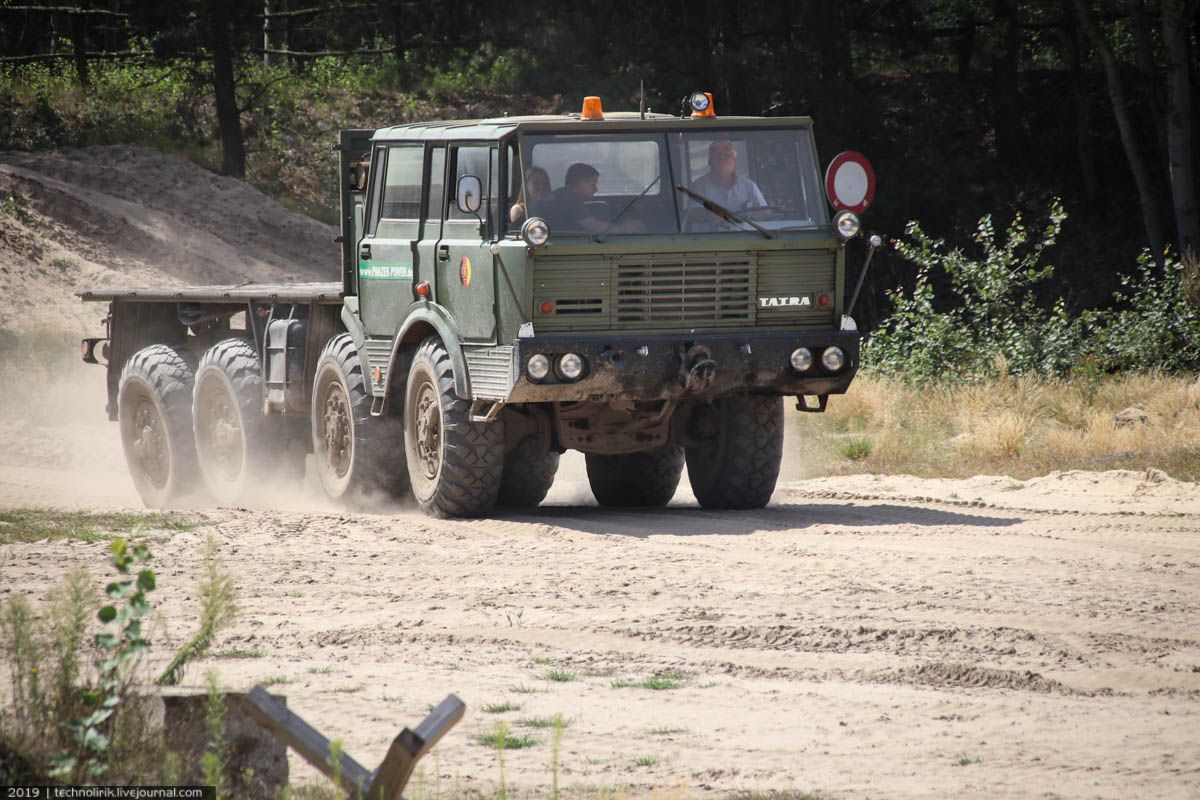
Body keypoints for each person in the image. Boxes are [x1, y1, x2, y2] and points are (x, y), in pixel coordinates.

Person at [686, 139, 767, 231]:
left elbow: (765, 211)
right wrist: (712, 214)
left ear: (734, 160)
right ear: (709, 161)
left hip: (744, 240)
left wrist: (752, 214)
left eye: (727, 154)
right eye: (717, 154)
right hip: (708, 242)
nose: (722, 157)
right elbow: (694, 213)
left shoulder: (749, 185)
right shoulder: (699, 185)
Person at [543, 162, 645, 234]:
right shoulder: (570, 199)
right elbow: (593, 226)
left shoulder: (562, 194)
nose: (596, 189)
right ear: (582, 183)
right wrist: (624, 229)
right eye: (593, 184)